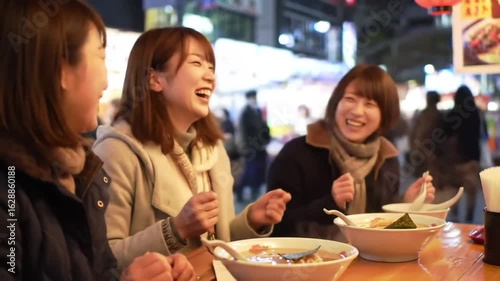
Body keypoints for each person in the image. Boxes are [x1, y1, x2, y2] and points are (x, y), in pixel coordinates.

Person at [0, 1, 195, 281]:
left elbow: (102, 271)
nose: (106, 80)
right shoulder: (9, 184)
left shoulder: (81, 171)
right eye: (101, 57)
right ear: (60, 70)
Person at [92, 27, 291, 270]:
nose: (210, 76)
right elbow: (102, 258)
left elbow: (215, 247)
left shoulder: (212, 149)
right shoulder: (117, 151)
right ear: (154, 79)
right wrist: (176, 230)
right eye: (197, 63)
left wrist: (251, 220)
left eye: (211, 67)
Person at [267, 64, 435, 240]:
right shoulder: (297, 153)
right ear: (336, 102)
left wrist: (407, 205)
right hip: (310, 264)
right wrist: (330, 204)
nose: (357, 111)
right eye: (350, 99)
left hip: (369, 264)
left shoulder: (387, 158)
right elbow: (275, 225)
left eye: (369, 104)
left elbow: (381, 230)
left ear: (384, 115)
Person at [234, 90, 271, 202]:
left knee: (259, 172)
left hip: (260, 148)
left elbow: (264, 127)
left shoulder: (258, 111)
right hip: (250, 148)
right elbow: (242, 132)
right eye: (252, 97)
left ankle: (255, 194)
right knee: (248, 172)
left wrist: (266, 140)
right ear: (248, 98)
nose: (254, 99)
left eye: (255, 97)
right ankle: (239, 193)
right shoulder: (244, 112)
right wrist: (244, 148)